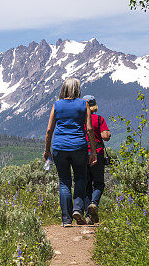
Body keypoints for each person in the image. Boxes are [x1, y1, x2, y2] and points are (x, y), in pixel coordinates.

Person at [44, 78, 98, 227]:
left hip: (59, 148)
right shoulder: (84, 104)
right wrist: (93, 151)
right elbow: (89, 129)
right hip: (79, 147)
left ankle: (66, 219)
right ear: (77, 89)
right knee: (80, 178)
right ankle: (78, 209)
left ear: (64, 89)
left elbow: (49, 130)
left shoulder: (56, 105)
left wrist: (47, 150)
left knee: (64, 182)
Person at [82, 95, 110, 224]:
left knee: (86, 184)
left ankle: (88, 217)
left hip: (82, 154)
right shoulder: (99, 119)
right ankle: (94, 203)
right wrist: (107, 133)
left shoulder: (79, 119)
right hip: (97, 153)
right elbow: (105, 136)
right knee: (98, 183)